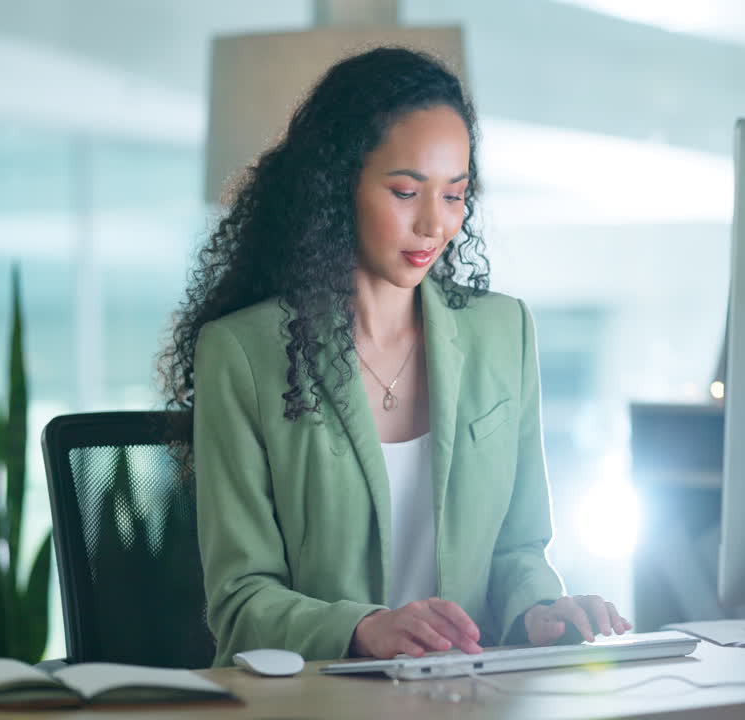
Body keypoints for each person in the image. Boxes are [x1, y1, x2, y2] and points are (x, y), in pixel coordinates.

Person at [159, 47, 630, 667]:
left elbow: (519, 549)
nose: (435, 225)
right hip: (317, 700)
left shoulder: (502, 331)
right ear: (335, 186)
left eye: (456, 195)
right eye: (406, 192)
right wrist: (364, 629)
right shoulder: (243, 353)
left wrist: (537, 610)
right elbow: (241, 601)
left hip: (468, 695)